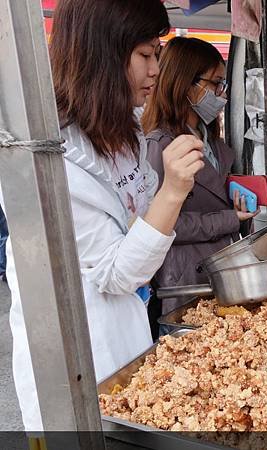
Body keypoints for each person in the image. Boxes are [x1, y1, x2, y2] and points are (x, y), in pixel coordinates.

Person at [8, 0, 205, 431]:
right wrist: (173, 191)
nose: (156, 69)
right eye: (145, 55)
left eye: (158, 53)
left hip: (129, 328)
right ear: (103, 54)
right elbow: (118, 272)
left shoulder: (122, 131)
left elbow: (136, 216)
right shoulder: (52, 159)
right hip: (81, 354)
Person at [142, 37, 256, 315]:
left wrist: (241, 212)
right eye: (215, 84)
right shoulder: (159, 145)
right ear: (185, 83)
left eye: (223, 85)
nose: (222, 94)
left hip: (219, 265)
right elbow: (162, 224)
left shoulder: (214, 143)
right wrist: (229, 219)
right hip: (184, 277)